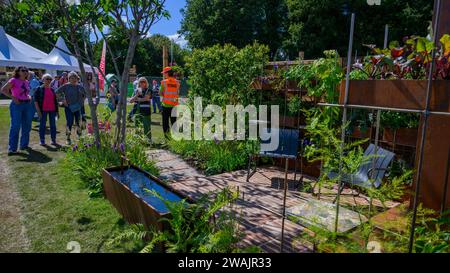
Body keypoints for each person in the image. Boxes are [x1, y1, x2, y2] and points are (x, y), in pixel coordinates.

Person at [1, 66, 33, 155]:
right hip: (17, 105)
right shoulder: (13, 80)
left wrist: (29, 96)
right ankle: (12, 149)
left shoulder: (26, 82)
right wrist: (13, 97)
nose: (25, 72)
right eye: (23, 70)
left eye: (26, 70)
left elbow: (26, 92)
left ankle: (24, 145)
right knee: (15, 126)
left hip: (27, 104)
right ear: (18, 72)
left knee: (27, 126)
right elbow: (3, 90)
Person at [56, 71, 85, 145]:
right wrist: (63, 100)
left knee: (78, 122)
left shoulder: (79, 86)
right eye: (71, 78)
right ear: (69, 79)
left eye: (75, 77)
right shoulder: (66, 86)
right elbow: (56, 93)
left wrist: (81, 102)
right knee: (69, 122)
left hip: (78, 107)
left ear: (77, 78)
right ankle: (68, 138)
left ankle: (79, 136)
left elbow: (85, 94)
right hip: (68, 108)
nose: (73, 79)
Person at [34, 74, 59, 146]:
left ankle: (53, 140)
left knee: (53, 125)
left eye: (50, 79)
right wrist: (38, 111)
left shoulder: (52, 90)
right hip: (43, 110)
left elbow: (55, 101)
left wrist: (57, 112)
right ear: (43, 80)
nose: (48, 80)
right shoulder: (38, 89)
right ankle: (42, 140)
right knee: (42, 125)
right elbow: (35, 101)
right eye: (47, 79)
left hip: (52, 110)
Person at [160, 67, 180, 137]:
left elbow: (160, 93)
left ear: (167, 73)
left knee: (165, 124)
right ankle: (175, 139)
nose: (164, 75)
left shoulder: (163, 82)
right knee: (174, 123)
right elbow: (177, 93)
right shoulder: (177, 82)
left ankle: (167, 139)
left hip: (166, 106)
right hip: (174, 106)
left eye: (164, 73)